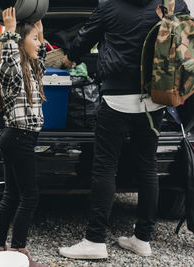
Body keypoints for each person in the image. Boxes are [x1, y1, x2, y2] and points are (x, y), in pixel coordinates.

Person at [59, 0, 190, 259]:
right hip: (154, 97)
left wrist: (69, 58)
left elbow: (84, 40)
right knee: (147, 166)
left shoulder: (109, 7)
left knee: (106, 166)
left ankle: (95, 240)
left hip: (117, 97)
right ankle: (142, 238)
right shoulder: (168, 3)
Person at [0, 7, 48, 267]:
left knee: (12, 194)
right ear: (20, 43)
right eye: (33, 39)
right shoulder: (13, 73)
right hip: (18, 137)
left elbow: (42, 59)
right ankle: (19, 250)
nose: (38, 43)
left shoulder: (32, 69)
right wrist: (9, 33)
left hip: (19, 138)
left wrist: (40, 35)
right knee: (29, 196)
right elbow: (9, 59)